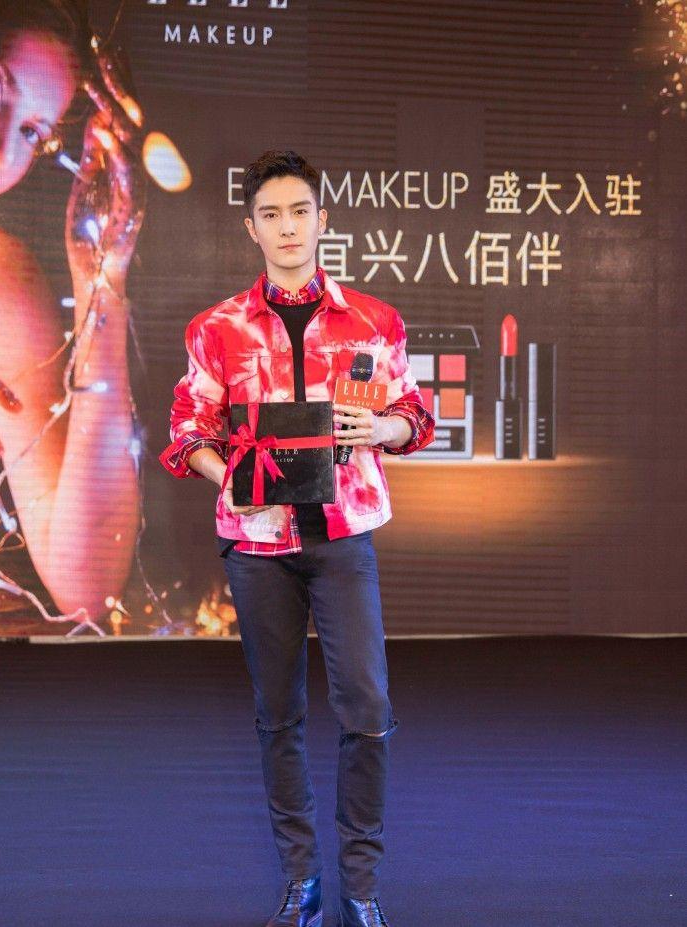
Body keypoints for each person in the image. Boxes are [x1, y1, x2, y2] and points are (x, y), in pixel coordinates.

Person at [159, 149, 434, 927]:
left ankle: (362, 885)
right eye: (271, 215)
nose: (287, 227)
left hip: (344, 539)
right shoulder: (216, 329)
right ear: (251, 228)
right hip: (257, 546)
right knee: (278, 713)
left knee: (368, 707)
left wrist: (381, 427)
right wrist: (234, 478)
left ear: (322, 219)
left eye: (300, 212)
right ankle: (302, 879)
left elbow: (415, 415)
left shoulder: (374, 320)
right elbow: (187, 430)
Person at [0, 0, 145, 630]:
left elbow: (85, 583)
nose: (0, 146)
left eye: (32, 132)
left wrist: (99, 282)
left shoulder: (3, 285)